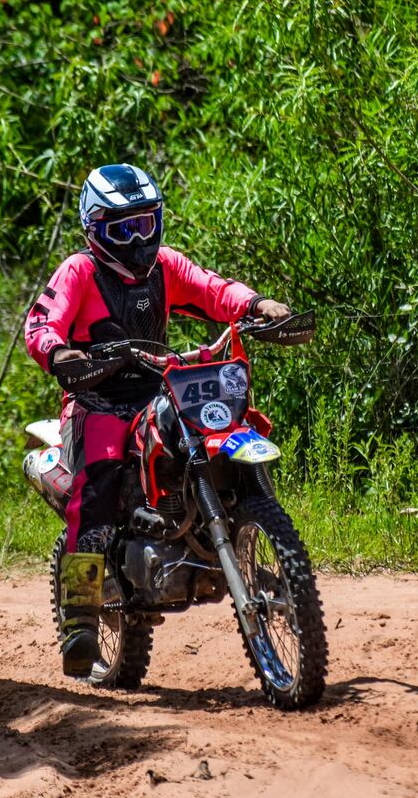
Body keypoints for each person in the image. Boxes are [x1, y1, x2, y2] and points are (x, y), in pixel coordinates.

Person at [24, 163, 290, 677]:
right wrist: (58, 355)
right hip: (95, 399)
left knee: (218, 430)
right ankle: (79, 617)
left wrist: (255, 303)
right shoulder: (79, 271)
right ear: (96, 230)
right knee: (99, 484)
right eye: (124, 228)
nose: (138, 238)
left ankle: (238, 532)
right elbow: (42, 322)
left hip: (158, 390)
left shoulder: (164, 267)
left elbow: (211, 288)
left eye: (146, 223)